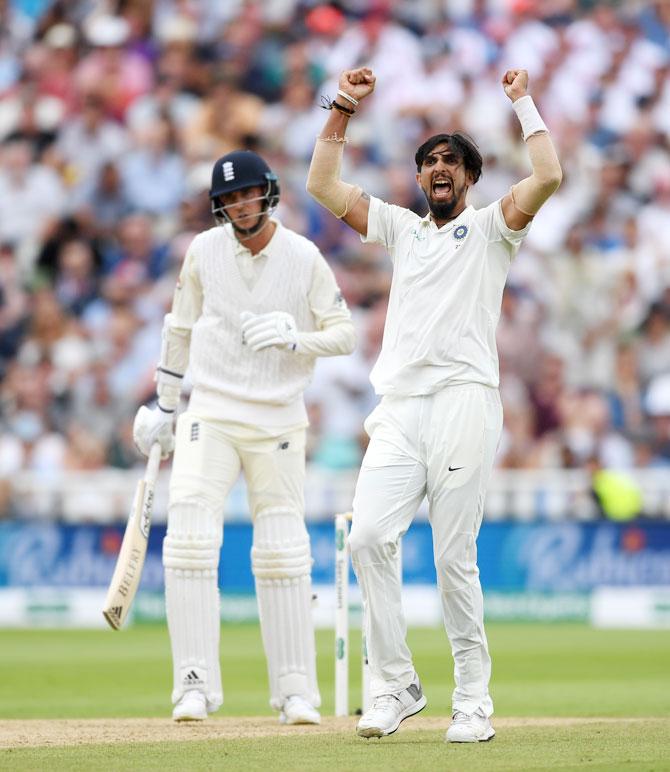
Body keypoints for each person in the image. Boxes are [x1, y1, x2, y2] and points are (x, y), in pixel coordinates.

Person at [307, 67, 561, 742]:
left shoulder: (489, 229)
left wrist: (521, 102)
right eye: (428, 162)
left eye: (450, 160)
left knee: (454, 557)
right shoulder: (400, 229)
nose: (437, 168)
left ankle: (473, 699)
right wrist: (343, 107)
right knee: (366, 538)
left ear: (469, 178)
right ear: (420, 180)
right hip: (399, 407)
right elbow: (322, 186)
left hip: (464, 401)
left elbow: (549, 176)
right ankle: (395, 685)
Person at [133, 149, 356, 724]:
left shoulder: (303, 257)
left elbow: (344, 335)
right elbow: (178, 328)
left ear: (269, 193)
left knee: (282, 550)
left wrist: (294, 337)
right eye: (228, 198)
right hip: (212, 408)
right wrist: (164, 407)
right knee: (187, 538)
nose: (239, 205)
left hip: (280, 416)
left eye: (248, 194)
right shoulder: (204, 250)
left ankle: (296, 691)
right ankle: (193, 685)